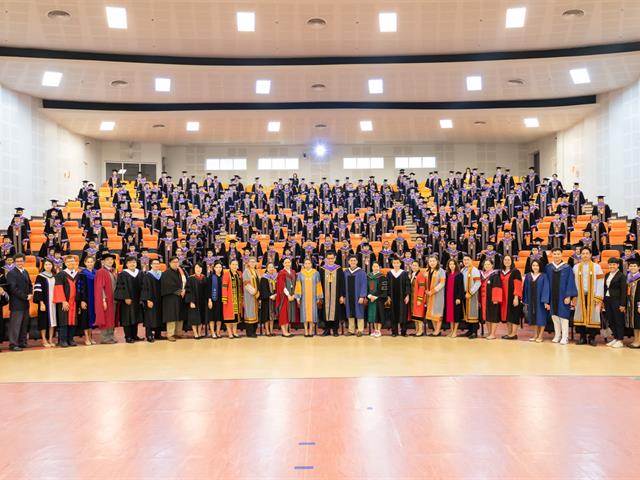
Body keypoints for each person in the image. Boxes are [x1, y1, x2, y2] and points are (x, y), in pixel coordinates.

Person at [572, 247, 604, 346]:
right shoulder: (576, 267)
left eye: (587, 253)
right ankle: (582, 337)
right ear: (580, 255)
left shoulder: (597, 267)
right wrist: (574, 295)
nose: (585, 255)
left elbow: (600, 281)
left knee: (593, 315)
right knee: (580, 314)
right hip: (580, 295)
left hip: (593, 295)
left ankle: (592, 337)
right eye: (583, 253)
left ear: (590, 255)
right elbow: (573, 282)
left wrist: (598, 296)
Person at [545, 247, 577, 345]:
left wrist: (569, 296)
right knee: (554, 316)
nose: (556, 256)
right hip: (552, 296)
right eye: (554, 254)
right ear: (552, 255)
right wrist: (546, 298)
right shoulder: (548, 267)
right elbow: (546, 283)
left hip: (563, 296)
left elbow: (570, 282)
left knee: (564, 316)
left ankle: (565, 337)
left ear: (561, 255)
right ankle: (557, 335)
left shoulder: (567, 268)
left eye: (558, 254)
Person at [6, 253, 33, 351]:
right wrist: (25, 296)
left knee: (24, 324)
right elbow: (13, 289)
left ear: (24, 261)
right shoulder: (11, 273)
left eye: (21, 261)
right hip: (17, 303)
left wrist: (30, 293)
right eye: (17, 261)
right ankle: (13, 344)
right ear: (14, 262)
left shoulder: (25, 272)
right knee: (15, 325)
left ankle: (22, 342)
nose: (19, 263)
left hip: (26, 302)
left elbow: (30, 284)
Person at [52, 255, 79, 348]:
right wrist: (63, 301)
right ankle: (62, 340)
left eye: (72, 261)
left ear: (75, 262)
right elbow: (58, 288)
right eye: (68, 262)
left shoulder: (78, 274)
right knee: (63, 321)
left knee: (73, 321)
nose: (71, 263)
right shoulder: (60, 274)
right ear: (65, 263)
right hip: (65, 302)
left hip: (75, 302)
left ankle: (70, 339)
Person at [115, 256, 143, 343]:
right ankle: (128, 336)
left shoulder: (140, 273)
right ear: (126, 264)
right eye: (130, 262)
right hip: (127, 300)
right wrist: (125, 297)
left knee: (136, 317)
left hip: (137, 300)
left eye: (134, 262)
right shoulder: (123, 274)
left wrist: (142, 298)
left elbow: (143, 286)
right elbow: (121, 287)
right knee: (127, 318)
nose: (132, 264)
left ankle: (135, 335)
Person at [522, 259, 550, 342]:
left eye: (537, 265)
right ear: (531, 266)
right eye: (533, 265)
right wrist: (526, 301)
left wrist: (545, 301)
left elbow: (546, 288)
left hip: (540, 301)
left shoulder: (544, 276)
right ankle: (535, 335)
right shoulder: (528, 276)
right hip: (531, 300)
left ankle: (540, 335)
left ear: (540, 266)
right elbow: (525, 289)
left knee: (541, 318)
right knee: (533, 317)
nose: (535, 267)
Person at [295, 258, 323, 337]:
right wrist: (298, 297)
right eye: (306, 263)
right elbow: (298, 285)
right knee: (304, 314)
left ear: (311, 264)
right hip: (303, 297)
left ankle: (311, 330)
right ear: (303, 265)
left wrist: (318, 297)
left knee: (312, 313)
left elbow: (318, 285)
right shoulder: (300, 274)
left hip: (313, 297)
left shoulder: (316, 273)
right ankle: (305, 330)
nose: (307, 265)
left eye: (309, 263)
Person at [94, 252, 118, 344]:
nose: (110, 261)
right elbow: (100, 287)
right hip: (106, 299)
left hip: (113, 299)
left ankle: (111, 336)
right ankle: (105, 338)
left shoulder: (113, 271)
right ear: (103, 262)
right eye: (107, 260)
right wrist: (103, 299)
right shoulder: (101, 272)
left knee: (112, 318)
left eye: (111, 259)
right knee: (106, 318)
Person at [318, 251, 345, 337]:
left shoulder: (339, 269)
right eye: (329, 258)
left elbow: (342, 283)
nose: (330, 260)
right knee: (326, 312)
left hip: (336, 294)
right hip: (325, 295)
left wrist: (341, 295)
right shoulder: (322, 269)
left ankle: (335, 330)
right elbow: (319, 283)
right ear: (326, 259)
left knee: (335, 311)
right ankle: (327, 330)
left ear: (335, 258)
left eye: (332, 258)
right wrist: (320, 295)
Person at [161, 256, 187, 342]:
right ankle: (170, 334)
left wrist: (184, 290)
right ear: (170, 263)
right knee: (171, 316)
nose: (176, 264)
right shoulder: (166, 273)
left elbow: (185, 282)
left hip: (180, 297)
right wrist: (180, 291)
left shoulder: (180, 272)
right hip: (170, 298)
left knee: (179, 315)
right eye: (174, 262)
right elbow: (168, 285)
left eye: (177, 262)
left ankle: (178, 332)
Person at [32, 258, 57, 348]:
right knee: (43, 321)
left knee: (53, 321)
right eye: (46, 264)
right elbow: (38, 290)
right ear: (43, 266)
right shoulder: (40, 276)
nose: (48, 266)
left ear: (52, 266)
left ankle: (50, 339)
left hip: (54, 303)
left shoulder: (55, 276)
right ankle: (44, 339)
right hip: (45, 303)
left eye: (49, 264)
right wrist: (41, 303)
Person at [603, 258, 626, 348]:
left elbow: (624, 291)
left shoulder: (621, 276)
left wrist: (622, 304)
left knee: (618, 320)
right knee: (611, 320)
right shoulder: (607, 274)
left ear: (618, 265)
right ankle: (615, 338)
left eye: (614, 264)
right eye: (610, 264)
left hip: (617, 301)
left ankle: (620, 340)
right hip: (608, 300)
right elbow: (605, 288)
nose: (611, 266)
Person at [499, 255, 523, 340]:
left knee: (514, 315)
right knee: (507, 316)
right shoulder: (501, 272)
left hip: (512, 296)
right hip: (504, 298)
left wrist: (516, 297)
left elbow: (518, 285)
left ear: (512, 261)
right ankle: (509, 333)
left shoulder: (515, 272)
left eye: (508, 260)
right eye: (505, 260)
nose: (507, 261)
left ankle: (514, 334)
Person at [344, 255, 368, 337]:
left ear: (357, 262)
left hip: (358, 296)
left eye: (354, 260)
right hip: (348, 296)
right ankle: (351, 330)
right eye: (351, 260)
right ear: (348, 262)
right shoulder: (346, 272)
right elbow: (343, 285)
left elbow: (364, 285)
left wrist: (362, 296)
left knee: (359, 312)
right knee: (350, 312)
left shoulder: (362, 272)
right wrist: (343, 296)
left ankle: (360, 330)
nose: (353, 262)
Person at [140, 258, 163, 342]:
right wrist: (148, 300)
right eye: (154, 264)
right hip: (151, 300)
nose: (156, 265)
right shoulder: (147, 275)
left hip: (160, 300)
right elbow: (145, 288)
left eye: (158, 263)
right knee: (150, 317)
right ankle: (149, 335)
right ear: (151, 265)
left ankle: (158, 334)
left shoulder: (162, 275)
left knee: (159, 316)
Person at [386, 257, 410, 337]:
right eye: (394, 263)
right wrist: (388, 296)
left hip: (402, 297)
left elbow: (407, 285)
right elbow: (387, 285)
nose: (396, 264)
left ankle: (403, 331)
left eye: (397, 263)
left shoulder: (404, 273)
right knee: (393, 314)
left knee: (403, 313)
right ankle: (394, 331)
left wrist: (407, 295)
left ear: (400, 264)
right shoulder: (389, 273)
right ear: (392, 264)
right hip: (392, 297)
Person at [478, 259, 502, 340]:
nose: (487, 266)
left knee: (493, 316)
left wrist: (496, 299)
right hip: (483, 299)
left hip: (492, 299)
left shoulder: (495, 275)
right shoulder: (482, 275)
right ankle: (489, 332)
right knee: (487, 316)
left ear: (492, 265)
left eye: (488, 264)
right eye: (485, 264)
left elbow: (497, 287)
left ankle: (493, 334)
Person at [76, 256, 97, 346]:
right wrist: (82, 300)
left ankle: (91, 336)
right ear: (85, 263)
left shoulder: (96, 273)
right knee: (85, 318)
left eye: (91, 262)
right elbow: (79, 289)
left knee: (92, 318)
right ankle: (86, 338)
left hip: (94, 299)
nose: (90, 263)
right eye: (88, 262)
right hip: (86, 299)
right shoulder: (82, 274)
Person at [185, 262, 209, 339]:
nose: (198, 269)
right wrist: (191, 301)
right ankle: (195, 333)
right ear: (194, 269)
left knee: (201, 317)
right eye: (196, 268)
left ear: (202, 269)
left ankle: (199, 333)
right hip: (194, 301)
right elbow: (188, 290)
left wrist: (208, 300)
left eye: (200, 268)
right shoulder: (190, 278)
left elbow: (207, 291)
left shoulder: (204, 278)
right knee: (194, 318)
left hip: (203, 302)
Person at [424, 256, 446, 336]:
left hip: (438, 295)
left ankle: (437, 330)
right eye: (430, 261)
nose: (432, 263)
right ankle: (436, 330)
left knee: (438, 312)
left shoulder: (441, 271)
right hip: (429, 295)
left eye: (433, 261)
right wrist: (426, 290)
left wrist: (432, 291)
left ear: (437, 261)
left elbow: (442, 283)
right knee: (431, 313)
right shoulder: (426, 271)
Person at [460, 254, 481, 339]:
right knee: (467, 313)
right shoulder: (463, 270)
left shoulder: (474, 270)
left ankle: (474, 332)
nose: (466, 261)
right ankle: (469, 330)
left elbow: (478, 283)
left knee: (473, 313)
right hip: (464, 294)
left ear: (471, 260)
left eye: (467, 260)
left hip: (472, 294)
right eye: (464, 260)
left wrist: (470, 292)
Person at [443, 258, 465, 338]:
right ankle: (451, 331)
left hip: (456, 298)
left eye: (453, 264)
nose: (451, 266)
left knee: (456, 315)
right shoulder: (447, 274)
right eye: (450, 264)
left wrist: (459, 298)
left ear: (456, 265)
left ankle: (455, 331)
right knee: (450, 315)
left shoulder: (459, 275)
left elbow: (461, 287)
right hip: (448, 298)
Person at [222, 258, 243, 338]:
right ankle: (229, 333)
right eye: (233, 264)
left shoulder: (239, 274)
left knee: (236, 317)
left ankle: (234, 332)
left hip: (237, 299)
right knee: (229, 316)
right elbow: (224, 287)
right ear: (230, 265)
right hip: (229, 299)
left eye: (236, 264)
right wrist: (224, 298)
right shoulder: (226, 274)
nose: (234, 266)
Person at [276, 257, 297, 337]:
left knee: (289, 313)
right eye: (286, 262)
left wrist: (294, 294)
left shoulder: (293, 272)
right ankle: (284, 331)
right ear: (283, 264)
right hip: (284, 296)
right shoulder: (281, 273)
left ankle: (287, 331)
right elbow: (282, 286)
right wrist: (288, 295)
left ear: (291, 263)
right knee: (283, 313)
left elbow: (295, 284)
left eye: (289, 262)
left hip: (292, 295)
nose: (287, 264)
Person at [366, 261, 387, 337]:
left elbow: (384, 290)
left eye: (377, 266)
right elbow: (366, 288)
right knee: (373, 315)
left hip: (379, 299)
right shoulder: (368, 276)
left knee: (379, 314)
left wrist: (376, 297)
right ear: (372, 267)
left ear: (379, 268)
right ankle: (375, 330)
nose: (375, 268)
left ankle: (379, 331)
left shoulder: (382, 277)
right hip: (371, 299)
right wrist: (369, 296)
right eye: (374, 266)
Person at [242, 257, 260, 338]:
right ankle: (249, 332)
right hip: (249, 295)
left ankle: (254, 331)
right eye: (251, 262)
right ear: (248, 263)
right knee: (249, 312)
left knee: (254, 312)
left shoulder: (255, 271)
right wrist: (255, 292)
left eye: (254, 262)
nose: (252, 263)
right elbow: (246, 284)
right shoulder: (246, 272)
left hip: (255, 295)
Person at [259, 262, 278, 337]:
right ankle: (267, 331)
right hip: (266, 299)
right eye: (269, 267)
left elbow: (277, 287)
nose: (271, 269)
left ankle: (271, 330)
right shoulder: (264, 277)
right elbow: (263, 289)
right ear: (266, 268)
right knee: (266, 316)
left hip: (274, 299)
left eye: (272, 267)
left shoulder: (275, 277)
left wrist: (276, 294)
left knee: (272, 316)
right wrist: (270, 296)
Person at [409, 260, 427, 336]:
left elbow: (422, 288)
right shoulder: (413, 274)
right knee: (415, 315)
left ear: (419, 267)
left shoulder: (421, 275)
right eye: (413, 265)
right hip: (413, 298)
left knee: (419, 315)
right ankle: (417, 330)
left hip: (418, 299)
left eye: (416, 265)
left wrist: (419, 299)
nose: (414, 267)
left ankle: (420, 331)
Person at [625, 258, 640, 348]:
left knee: (638, 323)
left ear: (639, 267)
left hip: (637, 304)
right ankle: (635, 340)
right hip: (631, 304)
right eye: (631, 266)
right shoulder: (629, 278)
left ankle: (638, 342)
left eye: (635, 266)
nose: (632, 267)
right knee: (634, 323)